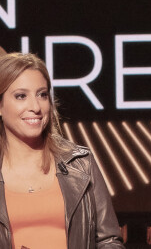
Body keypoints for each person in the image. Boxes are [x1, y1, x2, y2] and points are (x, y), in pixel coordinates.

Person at [0, 51, 125, 248]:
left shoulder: (81, 163)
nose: (35, 106)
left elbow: (109, 240)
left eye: (42, 95)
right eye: (21, 96)